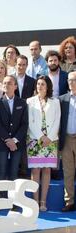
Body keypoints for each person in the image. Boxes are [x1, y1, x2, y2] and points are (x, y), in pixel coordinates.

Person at [27, 75, 60, 211]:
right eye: (38, 84)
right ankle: (35, 201)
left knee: (47, 170)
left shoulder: (55, 102)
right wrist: (41, 137)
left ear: (48, 87)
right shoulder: (30, 101)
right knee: (35, 170)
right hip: (35, 140)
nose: (40, 86)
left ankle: (43, 202)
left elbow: (57, 120)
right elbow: (30, 122)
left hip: (51, 141)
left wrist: (49, 137)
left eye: (43, 84)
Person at [0, 75, 28, 183]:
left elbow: (24, 124)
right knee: (2, 172)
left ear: (15, 86)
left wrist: (15, 140)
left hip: (17, 143)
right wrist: (8, 140)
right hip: (2, 142)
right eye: (5, 83)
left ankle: (13, 199)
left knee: (14, 173)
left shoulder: (22, 102)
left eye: (10, 83)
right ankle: (0, 198)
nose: (7, 85)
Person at [59, 71, 76, 212]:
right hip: (66, 139)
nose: (71, 82)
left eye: (74, 80)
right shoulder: (62, 99)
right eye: (69, 80)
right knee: (68, 171)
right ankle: (69, 201)